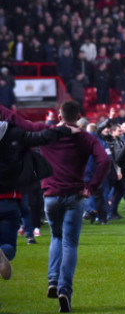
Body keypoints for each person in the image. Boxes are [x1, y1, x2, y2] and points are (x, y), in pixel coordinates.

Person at [0, 101, 110, 313]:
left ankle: (52, 280)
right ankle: (64, 290)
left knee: (56, 238)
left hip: (50, 196)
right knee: (69, 243)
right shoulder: (86, 138)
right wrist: (91, 187)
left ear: (60, 117)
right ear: (78, 116)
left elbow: (20, 122)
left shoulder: (48, 131)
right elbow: (104, 161)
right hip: (75, 195)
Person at [0, 119, 77, 301]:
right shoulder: (14, 135)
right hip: (10, 199)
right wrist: (64, 130)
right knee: (9, 246)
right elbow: (41, 137)